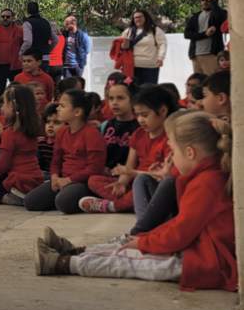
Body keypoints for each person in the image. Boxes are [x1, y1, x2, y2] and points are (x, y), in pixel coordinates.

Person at [34, 112, 236, 293]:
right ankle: (75, 252)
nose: (171, 158)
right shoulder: (207, 175)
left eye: (173, 151)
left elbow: (179, 233)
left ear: (190, 153)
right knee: (131, 250)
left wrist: (144, 242)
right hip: (200, 252)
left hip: (205, 262)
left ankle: (60, 263)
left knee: (129, 261)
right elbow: (178, 217)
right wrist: (145, 238)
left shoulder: (206, 184)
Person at [80, 85, 176, 213]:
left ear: (163, 111)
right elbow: (130, 164)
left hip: (154, 183)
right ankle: (131, 203)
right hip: (135, 181)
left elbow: (165, 176)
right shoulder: (138, 134)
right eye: (138, 115)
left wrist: (133, 173)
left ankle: (113, 206)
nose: (140, 120)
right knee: (94, 180)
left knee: (142, 184)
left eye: (145, 115)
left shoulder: (170, 137)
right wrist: (122, 183)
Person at [23, 90, 105, 214]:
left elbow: (95, 168)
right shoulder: (62, 132)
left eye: (62, 106)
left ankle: (86, 199)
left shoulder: (92, 134)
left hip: (84, 182)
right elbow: (56, 160)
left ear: (77, 112)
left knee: (63, 203)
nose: (58, 109)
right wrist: (55, 176)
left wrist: (69, 180)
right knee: (30, 202)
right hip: (63, 179)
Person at [0, 84, 44, 206]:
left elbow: (3, 162)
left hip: (18, 178)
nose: (1, 108)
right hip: (35, 176)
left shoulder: (10, 132)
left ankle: (14, 198)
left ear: (11, 106)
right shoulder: (32, 128)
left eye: (4, 104)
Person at [184, 0, 228, 75]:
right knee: (198, 85)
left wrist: (213, 1)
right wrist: (205, 34)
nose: (205, 2)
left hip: (212, 55)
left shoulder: (219, 13)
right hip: (196, 56)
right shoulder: (195, 17)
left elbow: (221, 18)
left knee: (212, 84)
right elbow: (187, 34)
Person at [119, 10, 167, 86]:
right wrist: (122, 46)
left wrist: (161, 57)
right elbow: (120, 44)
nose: (138, 19)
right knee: (134, 90)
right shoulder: (128, 31)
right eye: (135, 18)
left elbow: (162, 44)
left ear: (146, 17)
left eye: (140, 17)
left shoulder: (155, 30)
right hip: (132, 66)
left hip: (150, 66)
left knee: (149, 90)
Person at [0, 9, 24, 97]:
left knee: (17, 91)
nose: (5, 18)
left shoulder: (19, 31)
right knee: (0, 91)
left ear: (12, 18)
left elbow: (23, 46)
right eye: (3, 16)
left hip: (15, 66)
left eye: (7, 17)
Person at [19, 1, 58, 73]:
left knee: (32, 83)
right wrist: (47, 49)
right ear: (39, 11)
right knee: (42, 81)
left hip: (32, 58)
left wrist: (21, 53)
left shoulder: (27, 23)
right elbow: (55, 40)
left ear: (27, 12)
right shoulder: (46, 22)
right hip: (45, 57)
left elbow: (28, 41)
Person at [37, 103, 64, 176]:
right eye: (48, 122)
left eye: (56, 122)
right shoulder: (42, 144)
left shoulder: (68, 145)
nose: (50, 125)